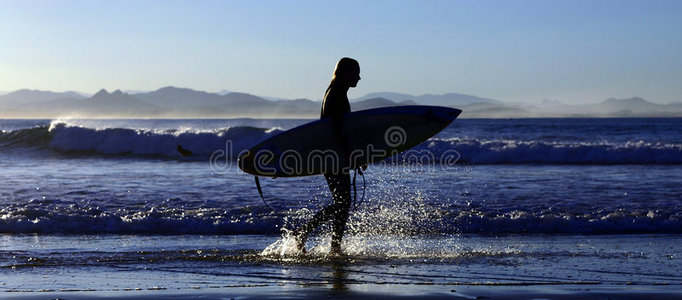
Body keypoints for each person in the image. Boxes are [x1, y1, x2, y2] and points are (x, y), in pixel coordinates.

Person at [295, 57, 361, 255]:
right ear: (346, 73)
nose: (359, 77)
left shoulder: (335, 91)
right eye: (356, 72)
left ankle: (330, 244)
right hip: (333, 156)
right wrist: (351, 155)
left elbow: (341, 129)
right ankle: (306, 234)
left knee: (342, 203)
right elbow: (337, 130)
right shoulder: (337, 93)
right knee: (343, 203)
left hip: (332, 155)